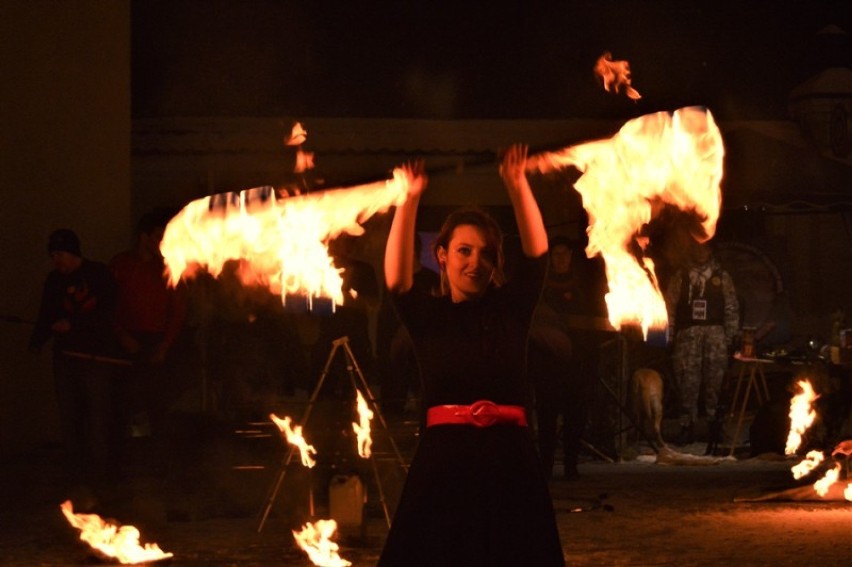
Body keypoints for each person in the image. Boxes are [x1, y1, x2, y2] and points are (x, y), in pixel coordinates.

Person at [379, 146, 565, 566]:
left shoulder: (511, 310)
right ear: (441, 256)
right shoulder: (428, 318)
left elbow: (538, 258)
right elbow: (396, 280)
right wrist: (409, 199)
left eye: (485, 253)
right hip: (445, 465)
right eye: (464, 250)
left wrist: (517, 185)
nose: (475, 262)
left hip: (509, 463)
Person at [29, 229, 121, 504]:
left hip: (96, 358)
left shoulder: (98, 274)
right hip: (66, 359)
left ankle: (99, 476)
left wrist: (75, 324)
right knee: (70, 418)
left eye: (60, 254)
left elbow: (107, 311)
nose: (56, 260)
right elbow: (46, 314)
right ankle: (75, 476)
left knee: (97, 416)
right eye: (53, 255)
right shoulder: (54, 281)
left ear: (73, 252)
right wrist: (38, 340)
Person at [109, 209, 187, 456]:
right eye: (157, 237)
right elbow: (106, 306)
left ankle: (159, 462)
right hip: (124, 341)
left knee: (158, 405)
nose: (162, 243)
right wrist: (121, 335)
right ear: (143, 237)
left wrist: (165, 345)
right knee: (122, 403)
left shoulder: (167, 267)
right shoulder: (120, 264)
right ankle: (119, 461)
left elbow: (178, 309)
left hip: (156, 341)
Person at [528, 236, 605, 479]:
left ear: (571, 257)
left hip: (577, 365)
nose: (561, 259)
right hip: (548, 366)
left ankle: (571, 466)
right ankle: (546, 467)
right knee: (547, 419)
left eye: (565, 254)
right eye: (556, 254)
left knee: (575, 417)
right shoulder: (541, 287)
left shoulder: (583, 288)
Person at [665, 241, 739, 447]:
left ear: (710, 251)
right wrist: (669, 334)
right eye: (697, 248)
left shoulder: (721, 276)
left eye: (705, 248)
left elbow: (731, 308)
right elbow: (669, 305)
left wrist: (731, 337)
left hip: (715, 333)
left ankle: (714, 426)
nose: (700, 252)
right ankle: (686, 426)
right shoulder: (682, 276)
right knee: (687, 380)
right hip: (688, 334)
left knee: (715, 381)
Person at [376, 233, 439, 419]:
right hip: (392, 352)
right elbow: (384, 314)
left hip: (422, 351)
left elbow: (435, 317)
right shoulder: (393, 280)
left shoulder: (431, 279)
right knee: (393, 397)